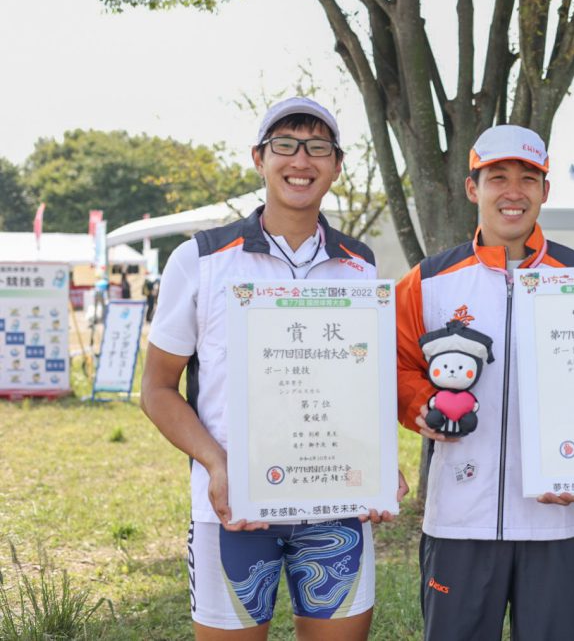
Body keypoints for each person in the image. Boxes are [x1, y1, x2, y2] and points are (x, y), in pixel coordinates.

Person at [140, 97, 406, 640]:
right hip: (235, 508)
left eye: (318, 148)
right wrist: (217, 464)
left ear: (337, 165)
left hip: (335, 505)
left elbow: (363, 386)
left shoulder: (360, 265)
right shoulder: (201, 260)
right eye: (285, 145)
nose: (300, 160)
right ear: (259, 158)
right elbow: (157, 388)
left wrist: (380, 463)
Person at [396, 125, 574, 640]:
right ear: (473, 188)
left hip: (560, 519)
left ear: (545, 190)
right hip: (460, 516)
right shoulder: (428, 281)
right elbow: (394, 367)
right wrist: (423, 405)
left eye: (528, 178)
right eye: (498, 178)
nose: (514, 192)